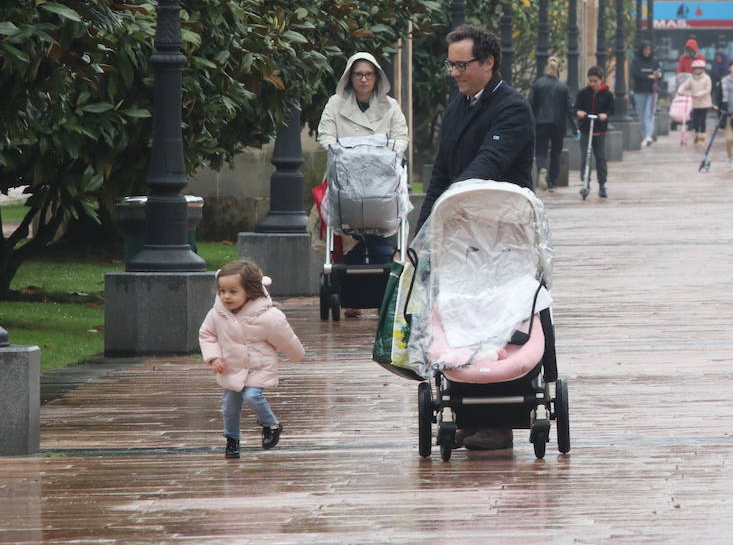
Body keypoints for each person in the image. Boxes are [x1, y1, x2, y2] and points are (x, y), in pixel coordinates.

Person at [418, 26, 534, 451]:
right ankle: (469, 411)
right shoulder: (457, 108)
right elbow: (442, 171)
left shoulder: (513, 108)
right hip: (460, 238)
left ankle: (500, 421)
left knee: (500, 323)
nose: (454, 72)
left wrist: (451, 200)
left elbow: (491, 161)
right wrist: (426, 223)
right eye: (451, 64)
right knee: (460, 319)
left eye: (461, 64)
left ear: (488, 63)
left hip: (504, 239)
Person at [199, 260, 306, 460]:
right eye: (222, 291)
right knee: (229, 407)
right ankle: (232, 440)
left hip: (259, 366)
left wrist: (297, 355)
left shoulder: (268, 316)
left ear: (250, 290)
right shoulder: (217, 314)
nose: (226, 296)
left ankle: (271, 425)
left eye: (233, 291)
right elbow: (207, 335)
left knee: (252, 396)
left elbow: (286, 338)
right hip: (231, 367)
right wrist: (214, 357)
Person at [317, 51, 409, 267]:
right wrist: (345, 152)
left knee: (383, 224)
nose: (364, 79)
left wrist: (383, 153)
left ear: (377, 77)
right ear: (350, 77)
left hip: (382, 180)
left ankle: (383, 261)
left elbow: (401, 136)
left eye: (368, 74)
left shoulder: (391, 106)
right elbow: (326, 135)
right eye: (358, 74)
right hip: (345, 176)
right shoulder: (335, 104)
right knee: (348, 223)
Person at [529, 55, 576, 192]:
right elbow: (569, 109)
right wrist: (574, 128)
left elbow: (531, 104)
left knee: (541, 150)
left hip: (540, 123)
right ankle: (553, 182)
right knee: (556, 153)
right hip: (558, 124)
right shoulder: (563, 87)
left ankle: (541, 168)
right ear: (559, 69)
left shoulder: (538, 84)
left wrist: (529, 122)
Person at [575, 66, 616, 198]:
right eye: (590, 81)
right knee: (585, 157)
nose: (592, 84)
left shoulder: (607, 94)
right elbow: (576, 107)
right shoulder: (583, 93)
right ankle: (585, 182)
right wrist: (579, 112)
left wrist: (605, 115)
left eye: (595, 81)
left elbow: (612, 109)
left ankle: (602, 185)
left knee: (600, 158)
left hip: (599, 130)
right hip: (586, 129)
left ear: (601, 80)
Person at [631, 42, 663, 147]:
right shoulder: (636, 61)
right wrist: (648, 77)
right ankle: (644, 136)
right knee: (641, 114)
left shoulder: (654, 61)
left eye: (649, 50)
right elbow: (635, 74)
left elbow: (660, 74)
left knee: (649, 113)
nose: (647, 52)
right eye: (645, 49)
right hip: (639, 91)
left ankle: (648, 136)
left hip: (652, 91)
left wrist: (658, 74)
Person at [676, 57, 714, 145]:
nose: (697, 70)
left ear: (703, 69)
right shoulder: (691, 79)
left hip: (704, 103)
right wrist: (680, 91)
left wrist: (699, 94)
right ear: (693, 69)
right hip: (695, 104)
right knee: (695, 120)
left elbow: (708, 89)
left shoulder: (707, 78)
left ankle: (702, 138)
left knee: (702, 120)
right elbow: (684, 85)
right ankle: (697, 135)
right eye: (696, 68)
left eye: (699, 68)